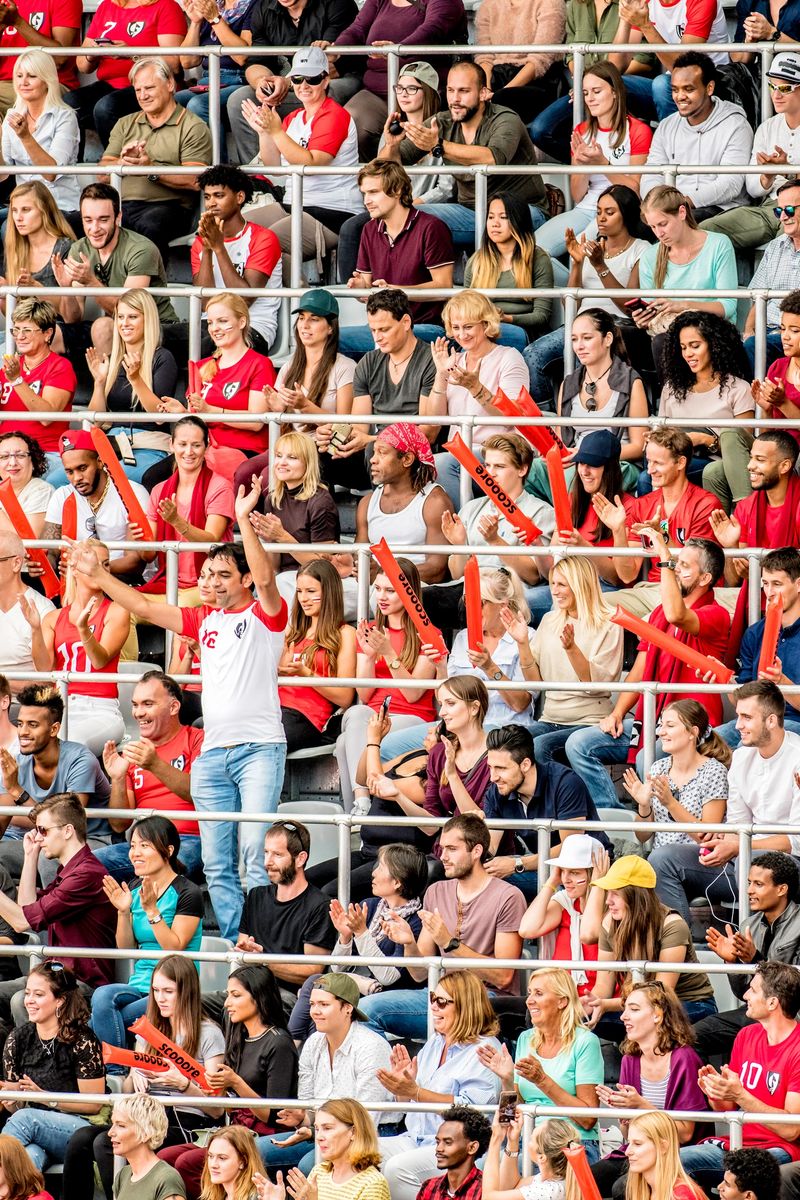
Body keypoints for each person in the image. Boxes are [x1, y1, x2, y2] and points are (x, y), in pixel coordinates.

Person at [68, 478, 289, 943]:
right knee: (217, 859)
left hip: (259, 749)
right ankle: (234, 945)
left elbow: (267, 578)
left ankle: (259, 942)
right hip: (214, 753)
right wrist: (100, 575)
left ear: (244, 579)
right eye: (207, 576)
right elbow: (144, 605)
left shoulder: (265, 615)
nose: (210, 583)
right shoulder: (201, 618)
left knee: (253, 853)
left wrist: (244, 519)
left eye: (223, 575)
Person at [565, 535, 729, 809]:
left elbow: (678, 614)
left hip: (693, 729)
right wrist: (617, 714)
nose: (676, 569)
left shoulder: (716, 613)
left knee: (646, 758)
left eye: (684, 566)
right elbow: (640, 669)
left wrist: (664, 560)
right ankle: (618, 822)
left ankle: (653, 825)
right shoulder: (658, 614)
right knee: (579, 744)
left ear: (705, 578)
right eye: (676, 564)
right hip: (653, 720)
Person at [357, 813, 527, 1039]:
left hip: (484, 998)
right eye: (442, 848)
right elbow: (419, 974)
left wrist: (450, 943)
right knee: (365, 1011)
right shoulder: (436, 891)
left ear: (476, 851)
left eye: (452, 849)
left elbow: (503, 976)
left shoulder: (508, 896)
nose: (443, 856)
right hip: (439, 992)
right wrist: (409, 943)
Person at [651, 682, 800, 923]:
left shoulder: (797, 756)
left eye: (746, 717)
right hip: (743, 858)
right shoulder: (741, 757)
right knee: (662, 858)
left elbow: (796, 840)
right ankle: (680, 951)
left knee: (750, 860)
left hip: (788, 866)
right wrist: (725, 843)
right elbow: (737, 823)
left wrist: (740, 846)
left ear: (771, 721)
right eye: (738, 716)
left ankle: (751, 952)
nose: (738, 724)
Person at [387, 61, 548, 246]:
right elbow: (394, 161)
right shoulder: (442, 121)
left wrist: (439, 145)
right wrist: (391, 146)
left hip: (521, 211)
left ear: (483, 93)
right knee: (400, 217)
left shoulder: (505, 119)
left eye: (463, 91)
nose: (455, 99)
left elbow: (493, 158)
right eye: (450, 90)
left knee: (497, 224)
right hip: (469, 211)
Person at [377, 974, 503, 1200]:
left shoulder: (485, 1049)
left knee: (397, 1169)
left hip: (459, 1149)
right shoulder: (436, 1042)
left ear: (465, 1006)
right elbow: (411, 1104)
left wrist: (415, 1091)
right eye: (433, 998)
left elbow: (472, 1114)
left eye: (442, 1002)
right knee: (355, 1152)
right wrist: (403, 1087)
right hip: (414, 1138)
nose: (433, 1006)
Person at [524, 186, 651, 407]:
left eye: (610, 212)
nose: (601, 218)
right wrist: (577, 263)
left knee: (587, 350)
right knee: (533, 354)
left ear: (627, 214)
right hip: (579, 323)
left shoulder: (641, 249)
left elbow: (629, 307)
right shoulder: (589, 249)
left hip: (615, 326)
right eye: (599, 211)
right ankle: (548, 418)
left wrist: (601, 266)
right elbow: (570, 304)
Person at [254, 975, 392, 1175]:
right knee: (252, 1151)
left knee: (310, 1165)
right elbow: (310, 1104)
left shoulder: (371, 1047)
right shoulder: (313, 1042)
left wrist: (313, 1130)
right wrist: (303, 1119)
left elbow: (366, 1120)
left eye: (324, 1004)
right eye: (312, 1004)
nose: (315, 1011)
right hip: (323, 1132)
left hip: (369, 1134)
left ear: (348, 1008)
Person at [241, 48, 364, 270]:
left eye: (313, 78)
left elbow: (312, 164)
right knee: (231, 231)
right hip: (294, 204)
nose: (304, 85)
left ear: (326, 81)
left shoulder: (335, 115)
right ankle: (291, 293)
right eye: (297, 79)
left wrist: (276, 131)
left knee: (262, 242)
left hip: (332, 212)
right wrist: (264, 132)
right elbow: (273, 168)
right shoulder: (294, 117)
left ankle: (301, 296)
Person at [90, 815, 204, 1052]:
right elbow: (125, 949)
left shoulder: (188, 891)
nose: (135, 853)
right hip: (141, 983)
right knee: (102, 996)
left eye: (144, 846)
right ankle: (118, 1072)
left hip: (175, 986)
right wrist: (122, 912)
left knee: (97, 1023)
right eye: (132, 846)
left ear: (168, 850)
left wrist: (152, 910)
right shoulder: (134, 887)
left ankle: (115, 1073)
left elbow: (174, 947)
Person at [682, 962, 800, 1190]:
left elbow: (791, 1129)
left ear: (773, 1002)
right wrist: (716, 1092)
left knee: (682, 1164)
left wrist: (740, 1094)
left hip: (780, 1149)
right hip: (738, 1142)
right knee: (669, 1163)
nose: (745, 994)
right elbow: (726, 1107)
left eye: (753, 990)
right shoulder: (746, 1035)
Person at [291, 843, 427, 1040]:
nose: (373, 873)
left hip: (386, 998)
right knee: (318, 986)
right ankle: (301, 1047)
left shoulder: (414, 921)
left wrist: (362, 934)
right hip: (357, 990)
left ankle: (298, 1050)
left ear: (397, 882)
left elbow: (389, 977)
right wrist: (345, 937)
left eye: (380, 867)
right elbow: (337, 969)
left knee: (321, 991)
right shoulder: (369, 906)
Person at [336, 554, 438, 814]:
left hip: (412, 717)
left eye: (390, 591)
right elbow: (364, 693)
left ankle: (361, 808)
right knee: (355, 718)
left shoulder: (428, 633)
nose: (381, 596)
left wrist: (389, 653)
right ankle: (363, 803)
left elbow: (414, 694)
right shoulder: (370, 629)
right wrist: (370, 656)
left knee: (347, 737)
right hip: (373, 716)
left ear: (409, 594)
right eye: (378, 588)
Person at [580, 856, 717, 1040]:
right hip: (640, 1005)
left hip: (689, 1003)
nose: (608, 901)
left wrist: (607, 1005)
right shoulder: (609, 923)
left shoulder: (672, 924)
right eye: (608, 893)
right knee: (579, 1019)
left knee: (644, 1019)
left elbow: (660, 994)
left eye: (615, 894)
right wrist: (590, 1004)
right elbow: (603, 986)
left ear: (636, 895)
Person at [0, 793, 116, 1007]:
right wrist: (30, 856)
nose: (38, 837)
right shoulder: (69, 872)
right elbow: (27, 908)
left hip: (83, 984)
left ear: (68, 830)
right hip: (57, 978)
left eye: (43, 830)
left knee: (20, 1001)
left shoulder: (86, 874)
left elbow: (21, 921)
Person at [335, 61, 448, 280]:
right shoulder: (393, 132)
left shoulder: (443, 129)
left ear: (429, 92)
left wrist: (409, 205)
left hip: (424, 206)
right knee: (351, 228)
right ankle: (351, 290)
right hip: (392, 207)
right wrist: (391, 145)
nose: (403, 94)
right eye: (399, 88)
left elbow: (445, 188)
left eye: (412, 88)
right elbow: (379, 178)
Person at [592, 983, 707, 1197]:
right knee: (586, 1179)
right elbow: (629, 1134)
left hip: (674, 1152)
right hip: (639, 1149)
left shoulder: (684, 1058)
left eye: (634, 1009)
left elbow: (685, 1133)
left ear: (657, 1015)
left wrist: (639, 1105)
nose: (624, 1016)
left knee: (621, 1187)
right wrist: (624, 1115)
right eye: (625, 1009)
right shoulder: (630, 1060)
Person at [478, 967, 604, 1159]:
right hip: (526, 1139)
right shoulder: (525, 1039)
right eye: (529, 993)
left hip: (571, 1143)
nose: (529, 1001)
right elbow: (508, 1117)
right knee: (484, 1167)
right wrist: (507, 1080)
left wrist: (542, 1080)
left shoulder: (586, 1041)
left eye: (538, 993)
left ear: (562, 1001)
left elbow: (587, 1119)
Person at [593, 427, 719, 618]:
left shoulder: (705, 503)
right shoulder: (643, 504)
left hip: (690, 592)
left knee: (651, 620)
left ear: (681, 463)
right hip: (652, 589)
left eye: (658, 463)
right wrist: (618, 531)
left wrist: (663, 538)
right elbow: (627, 575)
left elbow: (694, 571)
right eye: (649, 461)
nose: (650, 470)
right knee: (593, 606)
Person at [526, 308, 648, 504]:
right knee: (524, 470)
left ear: (607, 339)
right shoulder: (569, 382)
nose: (579, 346)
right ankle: (544, 526)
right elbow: (560, 438)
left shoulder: (631, 382)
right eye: (574, 339)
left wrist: (586, 455)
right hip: (575, 460)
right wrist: (551, 452)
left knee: (575, 476)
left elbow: (639, 446)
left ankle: (568, 528)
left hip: (616, 463)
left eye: (587, 338)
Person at [511, 554, 625, 763]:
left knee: (539, 748)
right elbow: (535, 682)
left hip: (589, 721)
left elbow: (595, 686)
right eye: (553, 583)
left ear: (580, 585)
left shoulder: (609, 623)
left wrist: (572, 649)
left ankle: (558, 796)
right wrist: (522, 643)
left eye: (561, 584)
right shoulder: (549, 620)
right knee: (509, 743)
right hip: (550, 718)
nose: (554, 591)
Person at [319, 290, 437, 489]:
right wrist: (335, 434)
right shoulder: (369, 362)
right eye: (373, 330)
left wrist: (373, 440)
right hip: (374, 452)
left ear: (406, 322)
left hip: (412, 455)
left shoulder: (430, 360)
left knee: (377, 448)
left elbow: (428, 432)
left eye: (384, 329)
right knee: (317, 454)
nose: (377, 337)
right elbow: (359, 425)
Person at [536, 61, 652, 260]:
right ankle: (564, 289)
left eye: (596, 91)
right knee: (533, 253)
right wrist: (582, 167)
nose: (590, 98)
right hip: (586, 207)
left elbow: (636, 192)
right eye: (586, 92)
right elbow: (577, 195)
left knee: (577, 259)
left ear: (615, 92)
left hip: (617, 211)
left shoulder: (638, 130)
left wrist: (603, 165)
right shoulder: (582, 130)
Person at [483, 725, 614, 898]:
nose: (493, 777)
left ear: (525, 764)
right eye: (490, 767)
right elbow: (490, 847)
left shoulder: (565, 783)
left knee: (491, 885)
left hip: (585, 870)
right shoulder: (498, 791)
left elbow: (570, 848)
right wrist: (473, 836)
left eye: (501, 768)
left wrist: (517, 863)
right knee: (474, 880)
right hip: (542, 867)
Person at [98, 57, 212, 255]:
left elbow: (195, 179)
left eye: (149, 88)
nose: (143, 96)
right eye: (138, 90)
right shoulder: (125, 123)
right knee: (72, 222)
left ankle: (145, 284)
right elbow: (102, 174)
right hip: (121, 205)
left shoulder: (193, 126)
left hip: (168, 207)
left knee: (149, 226)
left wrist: (150, 170)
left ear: (170, 84)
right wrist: (121, 163)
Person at [223, 0, 360, 164]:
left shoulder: (336, 3)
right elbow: (256, 61)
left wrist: (288, 82)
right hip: (292, 79)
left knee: (327, 90)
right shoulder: (264, 7)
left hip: (339, 78)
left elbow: (326, 68)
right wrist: (263, 82)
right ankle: (258, 179)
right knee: (240, 99)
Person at [428, 290, 531, 509]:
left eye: (468, 327)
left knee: (443, 464)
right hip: (460, 450)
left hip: (498, 450)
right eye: (456, 327)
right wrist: (440, 375)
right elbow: (435, 419)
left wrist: (475, 388)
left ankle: (463, 526)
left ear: (485, 325)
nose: (461, 335)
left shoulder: (509, 357)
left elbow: (511, 417)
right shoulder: (453, 360)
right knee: (435, 464)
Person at [52, 184, 179, 361]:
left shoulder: (141, 249)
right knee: (50, 333)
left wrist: (91, 282)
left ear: (118, 218)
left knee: (103, 327)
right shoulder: (79, 248)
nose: (94, 229)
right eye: (88, 220)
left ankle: (112, 387)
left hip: (156, 326)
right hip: (115, 327)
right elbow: (72, 319)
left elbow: (130, 311)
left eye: (103, 220)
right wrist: (67, 290)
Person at [26, 540, 130, 755]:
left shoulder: (117, 611)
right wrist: (36, 630)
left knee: (68, 742)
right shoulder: (54, 618)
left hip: (101, 710)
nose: (99, 569)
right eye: (92, 562)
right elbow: (44, 670)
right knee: (22, 743)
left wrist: (83, 630)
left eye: (106, 564)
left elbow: (99, 660)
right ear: (74, 569)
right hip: (59, 707)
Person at [340, 158, 454, 352]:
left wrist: (396, 291)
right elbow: (368, 286)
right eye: (364, 193)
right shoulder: (369, 229)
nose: (367, 200)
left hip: (424, 326)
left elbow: (443, 287)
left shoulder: (431, 227)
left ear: (398, 190)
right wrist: (361, 288)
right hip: (382, 326)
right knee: (328, 338)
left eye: (374, 192)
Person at [1, 961, 105, 1171]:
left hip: (80, 1126)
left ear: (60, 1000)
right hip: (33, 1129)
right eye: (28, 993)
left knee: (26, 1120)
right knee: (28, 1160)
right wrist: (12, 1099)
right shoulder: (18, 1038)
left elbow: (93, 1104)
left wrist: (46, 1098)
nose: (29, 1001)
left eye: (38, 995)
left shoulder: (82, 1039)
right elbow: (17, 1107)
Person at [331, 0, 467, 160]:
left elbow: (433, 29)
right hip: (377, 91)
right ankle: (375, 179)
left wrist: (399, 49)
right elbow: (358, 29)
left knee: (420, 140)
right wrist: (336, 50)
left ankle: (414, 181)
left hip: (423, 90)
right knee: (347, 126)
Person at [98, 668, 203, 872]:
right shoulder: (131, 754)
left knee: (164, 865)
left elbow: (199, 794)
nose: (138, 713)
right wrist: (118, 779)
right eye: (135, 705)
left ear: (173, 707)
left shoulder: (197, 739)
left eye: (148, 704)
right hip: (141, 844)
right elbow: (119, 824)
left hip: (189, 841)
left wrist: (154, 764)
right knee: (84, 867)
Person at [700, 852, 800, 1058]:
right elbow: (743, 993)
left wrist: (754, 959)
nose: (749, 891)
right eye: (748, 883)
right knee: (690, 1037)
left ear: (782, 889)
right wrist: (732, 962)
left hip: (791, 1015)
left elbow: (792, 989)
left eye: (758, 884)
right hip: (757, 1012)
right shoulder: (748, 926)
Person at [0, 685, 112, 864]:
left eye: (33, 725)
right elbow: (3, 820)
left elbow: (66, 823)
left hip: (90, 841)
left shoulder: (81, 760)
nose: (23, 732)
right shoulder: (17, 763)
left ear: (54, 729)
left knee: (50, 857)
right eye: (20, 724)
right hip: (42, 840)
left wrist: (16, 791)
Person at [700, 53, 800, 251]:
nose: (776, 95)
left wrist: (788, 170)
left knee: (788, 243)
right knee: (703, 232)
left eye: (785, 88)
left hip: (797, 210)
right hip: (768, 207)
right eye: (772, 86)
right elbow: (753, 188)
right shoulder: (767, 127)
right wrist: (767, 176)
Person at [657, 312, 754, 510]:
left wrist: (703, 440)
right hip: (677, 459)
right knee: (647, 475)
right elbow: (662, 435)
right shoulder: (671, 388)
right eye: (683, 347)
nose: (688, 354)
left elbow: (741, 449)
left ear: (714, 345)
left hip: (715, 461)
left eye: (695, 346)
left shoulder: (739, 388)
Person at [632, 187, 738, 367]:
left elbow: (728, 306)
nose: (658, 233)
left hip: (712, 329)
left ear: (682, 212)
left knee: (664, 342)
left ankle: (669, 395)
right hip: (667, 329)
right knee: (617, 336)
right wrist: (644, 319)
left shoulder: (718, 244)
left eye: (663, 224)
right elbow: (650, 306)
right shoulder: (650, 256)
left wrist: (683, 306)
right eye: (652, 226)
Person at [640, 53, 752, 221]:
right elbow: (651, 173)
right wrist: (657, 201)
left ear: (709, 88)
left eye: (689, 89)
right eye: (675, 89)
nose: (680, 96)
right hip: (672, 207)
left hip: (721, 208)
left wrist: (681, 202)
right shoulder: (667, 125)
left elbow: (731, 184)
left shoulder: (736, 125)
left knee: (678, 224)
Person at [86, 289, 180, 484]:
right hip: (110, 444)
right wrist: (99, 382)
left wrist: (136, 379)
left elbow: (159, 416)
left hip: (149, 446)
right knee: (63, 478)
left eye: (133, 317)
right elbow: (96, 421)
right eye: (120, 317)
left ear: (148, 320)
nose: (124, 323)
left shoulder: (162, 358)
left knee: (110, 479)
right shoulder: (111, 361)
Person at [236, 820, 336, 1001]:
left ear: (300, 858)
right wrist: (245, 953)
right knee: (199, 1004)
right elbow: (243, 948)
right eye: (266, 852)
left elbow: (312, 972)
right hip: (248, 990)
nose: (267, 862)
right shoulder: (256, 896)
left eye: (277, 855)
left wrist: (264, 961)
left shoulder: (320, 905)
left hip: (290, 997)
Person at [192, 165, 281, 356]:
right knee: (156, 336)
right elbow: (204, 302)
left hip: (252, 326)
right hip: (210, 324)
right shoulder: (200, 242)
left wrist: (219, 248)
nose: (211, 203)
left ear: (239, 197)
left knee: (208, 344)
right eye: (207, 197)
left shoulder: (264, 238)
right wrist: (208, 249)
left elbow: (244, 299)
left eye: (219, 195)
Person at [173, 292, 274, 460]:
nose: (214, 328)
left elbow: (256, 421)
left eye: (222, 321)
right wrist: (181, 412)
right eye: (211, 322)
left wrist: (210, 410)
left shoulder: (259, 364)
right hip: (203, 449)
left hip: (243, 450)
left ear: (242, 322)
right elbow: (198, 419)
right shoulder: (202, 366)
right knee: (152, 476)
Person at [143, 416, 235, 599]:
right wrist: (138, 537)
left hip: (208, 583)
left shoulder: (220, 487)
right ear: (171, 445)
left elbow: (211, 543)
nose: (188, 452)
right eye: (182, 444)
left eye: (196, 445)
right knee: (123, 609)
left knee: (179, 607)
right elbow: (148, 555)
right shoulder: (159, 490)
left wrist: (176, 521)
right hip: (167, 581)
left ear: (207, 447)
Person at [248, 431, 343, 608]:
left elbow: (324, 567)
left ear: (307, 463)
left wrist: (282, 537)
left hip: (317, 582)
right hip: (285, 578)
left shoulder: (321, 501)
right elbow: (275, 565)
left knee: (281, 585)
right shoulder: (273, 498)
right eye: (278, 456)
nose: (282, 462)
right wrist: (269, 539)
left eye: (292, 457)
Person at [72, 0, 186, 147]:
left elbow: (174, 63)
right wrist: (92, 54)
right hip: (109, 85)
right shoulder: (107, 6)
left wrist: (131, 53)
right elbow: (82, 66)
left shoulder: (166, 6)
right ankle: (71, 168)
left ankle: (119, 165)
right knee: (70, 103)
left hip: (149, 86)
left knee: (106, 107)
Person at [718, 547, 800, 746]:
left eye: (777, 584)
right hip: (751, 720)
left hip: (793, 722)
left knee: (745, 748)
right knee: (699, 746)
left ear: (798, 585)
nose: (769, 592)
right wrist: (724, 678)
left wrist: (781, 681)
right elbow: (743, 700)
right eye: (765, 584)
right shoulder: (755, 633)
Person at [43, 433, 151, 584]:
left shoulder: (132, 493)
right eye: (70, 471)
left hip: (122, 579)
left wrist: (91, 569)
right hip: (77, 580)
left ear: (100, 462)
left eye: (82, 468)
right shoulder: (62, 495)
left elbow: (134, 563)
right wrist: (43, 565)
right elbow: (50, 551)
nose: (77, 478)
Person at [623, 699, 730, 848]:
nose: (661, 732)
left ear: (693, 732)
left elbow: (708, 839)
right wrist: (644, 806)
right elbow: (642, 837)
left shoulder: (714, 771)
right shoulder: (658, 768)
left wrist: (671, 803)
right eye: (661, 725)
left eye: (670, 725)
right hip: (659, 861)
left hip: (697, 860)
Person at [356, 422, 453, 583]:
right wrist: (347, 563)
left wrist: (385, 574)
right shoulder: (367, 503)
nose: (373, 460)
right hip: (375, 586)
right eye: (374, 452)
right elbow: (358, 555)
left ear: (407, 459)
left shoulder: (435, 502)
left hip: (415, 592)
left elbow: (437, 570)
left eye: (382, 453)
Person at [278, 560, 356, 753]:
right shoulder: (292, 631)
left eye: (311, 591)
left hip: (306, 716)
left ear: (329, 592)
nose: (303, 598)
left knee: (264, 739)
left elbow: (345, 697)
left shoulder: (345, 633)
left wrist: (306, 674)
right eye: (299, 591)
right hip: (273, 708)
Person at [710, 433, 800, 594]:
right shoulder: (746, 507)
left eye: (760, 459)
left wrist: (758, 576)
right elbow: (733, 580)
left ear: (784, 466)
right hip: (758, 601)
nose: (750, 465)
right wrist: (731, 547)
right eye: (751, 457)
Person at [614, 0, 731, 122]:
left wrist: (645, 25)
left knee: (662, 85)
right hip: (673, 86)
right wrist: (625, 17)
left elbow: (686, 71)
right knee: (610, 84)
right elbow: (615, 67)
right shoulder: (646, 1)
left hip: (712, 85)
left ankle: (675, 138)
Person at [464, 193, 553, 350]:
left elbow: (542, 316)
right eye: (491, 217)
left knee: (483, 334)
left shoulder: (537, 258)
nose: (495, 224)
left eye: (503, 217)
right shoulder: (477, 260)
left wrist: (506, 318)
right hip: (483, 327)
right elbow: (466, 306)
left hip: (525, 331)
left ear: (518, 220)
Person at [519, 834, 605, 993]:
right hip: (559, 995)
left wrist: (598, 884)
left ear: (594, 873)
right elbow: (527, 930)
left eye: (575, 872)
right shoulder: (565, 901)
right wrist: (552, 882)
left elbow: (589, 933)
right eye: (563, 871)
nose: (565, 879)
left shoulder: (611, 905)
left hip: (593, 998)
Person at [0, 299, 76, 478]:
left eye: (27, 330)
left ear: (47, 333)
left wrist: (17, 381)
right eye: (16, 330)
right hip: (6, 454)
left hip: (44, 454)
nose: (19, 336)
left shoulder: (60, 367)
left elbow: (46, 417)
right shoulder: (10, 367)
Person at [0, 50, 79, 216]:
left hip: (58, 207)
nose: (24, 82)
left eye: (32, 76)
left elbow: (51, 174)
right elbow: (3, 175)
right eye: (19, 76)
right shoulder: (11, 116)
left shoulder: (66, 117)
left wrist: (25, 137)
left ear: (47, 80)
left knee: (5, 229)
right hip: (23, 207)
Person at [741, 179, 800, 373]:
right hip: (768, 330)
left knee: (756, 346)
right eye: (778, 211)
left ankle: (762, 402)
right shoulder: (776, 246)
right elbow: (759, 298)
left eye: (789, 210)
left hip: (794, 332)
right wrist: (748, 332)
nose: (783, 217)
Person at [473, 0, 566, 122]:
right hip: (496, 78)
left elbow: (540, 60)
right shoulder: (488, 5)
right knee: (470, 95)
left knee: (501, 100)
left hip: (537, 81)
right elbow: (484, 57)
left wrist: (498, 94)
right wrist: (487, 90)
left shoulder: (551, 3)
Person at [0, 181, 75, 318]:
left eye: (26, 210)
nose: (18, 218)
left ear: (44, 210)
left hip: (55, 329)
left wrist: (35, 288)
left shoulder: (65, 247)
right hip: (22, 332)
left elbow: (72, 316)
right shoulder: (13, 248)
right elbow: (13, 317)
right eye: (14, 211)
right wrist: (6, 296)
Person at [176, 0, 256, 128]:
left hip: (239, 79)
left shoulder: (254, 4)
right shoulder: (214, 6)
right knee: (174, 102)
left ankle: (217, 149)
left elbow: (242, 57)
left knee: (198, 104)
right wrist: (196, 22)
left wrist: (215, 18)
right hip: (208, 79)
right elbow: (187, 61)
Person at [482, 1113, 581, 1200]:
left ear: (541, 1157)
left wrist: (495, 1139)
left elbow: (488, 1198)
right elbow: (509, 1186)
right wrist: (512, 1141)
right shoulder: (552, 1182)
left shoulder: (548, 1191)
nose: (528, 1141)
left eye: (531, 1138)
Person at [109, 1095, 186, 1200]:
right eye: (112, 1124)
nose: (110, 1133)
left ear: (146, 1133)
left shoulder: (167, 1178)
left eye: (121, 1126)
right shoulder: (123, 1175)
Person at [626, 1112, 706, 1200]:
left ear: (662, 1147)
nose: (627, 1152)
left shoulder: (682, 1195)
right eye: (629, 1143)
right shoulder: (645, 1189)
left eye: (637, 1144)